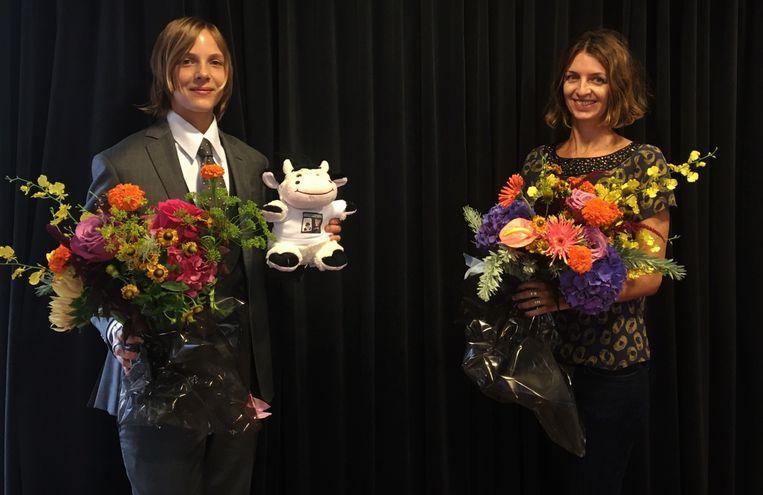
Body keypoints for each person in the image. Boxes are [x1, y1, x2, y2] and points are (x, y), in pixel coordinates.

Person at [86, 17, 340, 495]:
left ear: (227, 76)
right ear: (165, 71)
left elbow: (264, 268)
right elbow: (88, 267)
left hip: (239, 373)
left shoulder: (253, 163)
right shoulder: (121, 162)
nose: (202, 73)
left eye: (215, 61)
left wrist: (308, 247)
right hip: (153, 374)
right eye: (187, 60)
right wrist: (118, 331)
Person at [512, 29, 674, 494]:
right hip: (545, 365)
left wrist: (561, 299)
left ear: (617, 88)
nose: (581, 90)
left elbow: (647, 278)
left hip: (612, 367)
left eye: (597, 79)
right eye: (572, 77)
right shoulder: (540, 163)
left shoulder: (642, 161)